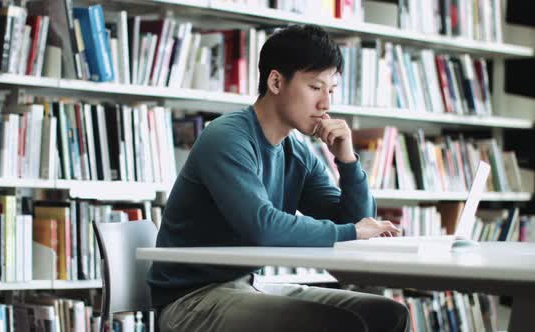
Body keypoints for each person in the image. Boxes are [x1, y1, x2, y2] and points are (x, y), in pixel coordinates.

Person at [148, 24, 410, 332]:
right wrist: (353, 231)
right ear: (275, 81)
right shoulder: (227, 137)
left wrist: (348, 162)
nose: (326, 104)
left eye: (331, 90)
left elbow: (355, 221)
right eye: (315, 88)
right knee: (340, 324)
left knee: (388, 315)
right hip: (191, 301)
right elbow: (262, 226)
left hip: (248, 286)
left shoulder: (296, 151)